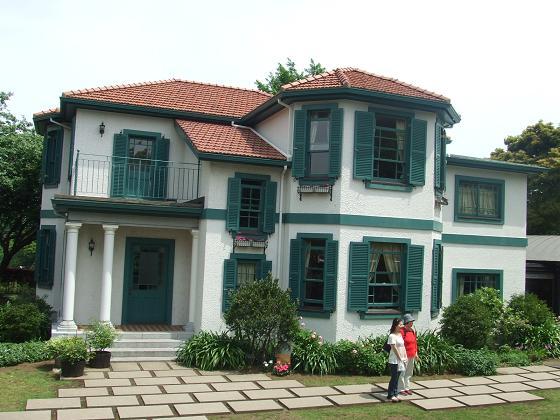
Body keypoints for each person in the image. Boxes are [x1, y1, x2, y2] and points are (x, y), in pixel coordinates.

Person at [386, 318, 407, 402]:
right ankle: (390, 394)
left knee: (397, 378)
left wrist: (404, 356)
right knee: (394, 377)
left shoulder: (400, 335)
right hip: (394, 360)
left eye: (402, 324)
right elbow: (394, 348)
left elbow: (403, 346)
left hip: (401, 359)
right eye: (400, 324)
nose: (402, 326)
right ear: (395, 325)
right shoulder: (392, 336)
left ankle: (396, 393)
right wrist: (399, 357)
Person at [398, 313, 418, 396]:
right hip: (404, 356)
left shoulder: (412, 331)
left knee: (409, 373)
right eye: (411, 321)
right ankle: (401, 389)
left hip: (412, 355)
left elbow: (415, 342)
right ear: (407, 322)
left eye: (412, 321)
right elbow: (400, 344)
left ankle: (407, 388)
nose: (412, 323)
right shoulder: (402, 331)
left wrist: (416, 353)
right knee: (402, 372)